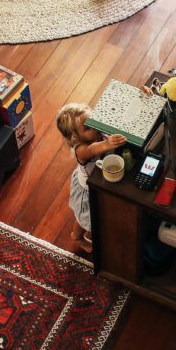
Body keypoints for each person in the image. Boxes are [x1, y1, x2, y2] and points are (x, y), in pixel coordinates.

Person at [55, 104, 126, 252]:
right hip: (87, 190)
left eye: (92, 120)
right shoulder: (81, 150)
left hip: (99, 178)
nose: (94, 127)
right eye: (87, 128)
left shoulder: (98, 130)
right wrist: (107, 143)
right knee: (85, 218)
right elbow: (92, 149)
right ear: (76, 137)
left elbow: (118, 111)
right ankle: (77, 236)